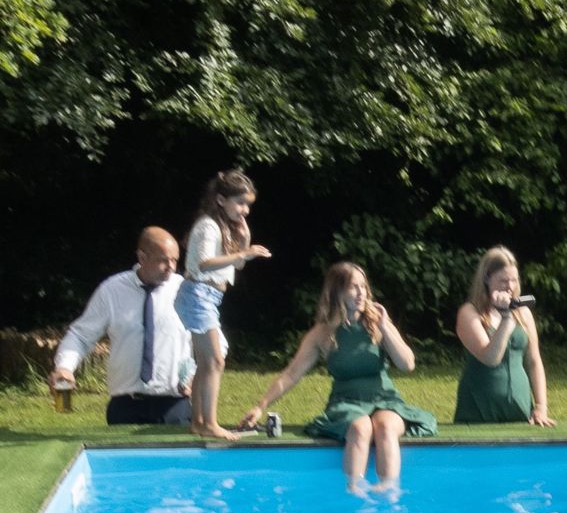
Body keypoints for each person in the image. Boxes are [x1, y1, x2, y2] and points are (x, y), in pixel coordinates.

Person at [238, 262, 437, 491]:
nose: (361, 293)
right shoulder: (322, 333)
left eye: (363, 286)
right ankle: (354, 489)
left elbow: (407, 364)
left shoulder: (378, 323)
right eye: (354, 287)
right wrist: (261, 406)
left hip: (385, 398)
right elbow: (291, 374)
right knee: (361, 428)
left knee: (386, 426)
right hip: (346, 402)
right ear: (337, 292)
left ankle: (389, 490)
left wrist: (385, 327)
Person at [49, 227, 196, 425]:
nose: (170, 266)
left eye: (175, 260)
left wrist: (199, 377)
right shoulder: (112, 290)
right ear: (142, 257)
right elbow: (80, 336)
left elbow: (214, 342)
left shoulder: (186, 290)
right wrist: (65, 367)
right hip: (125, 407)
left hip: (175, 405)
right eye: (163, 260)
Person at [173, 169, 271, 439]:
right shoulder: (208, 226)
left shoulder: (224, 228)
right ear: (220, 200)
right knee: (215, 360)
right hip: (198, 294)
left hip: (207, 297)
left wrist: (244, 241)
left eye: (248, 205)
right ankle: (210, 423)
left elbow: (237, 266)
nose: (245, 210)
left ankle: (199, 422)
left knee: (207, 362)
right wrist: (244, 252)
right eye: (240, 203)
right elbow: (204, 263)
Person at [453, 246, 555, 426]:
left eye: (514, 280)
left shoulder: (523, 313)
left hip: (520, 407)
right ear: (487, 278)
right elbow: (490, 358)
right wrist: (506, 318)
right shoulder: (469, 313)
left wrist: (541, 407)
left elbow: (533, 361)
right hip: (479, 409)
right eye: (503, 281)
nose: (510, 287)